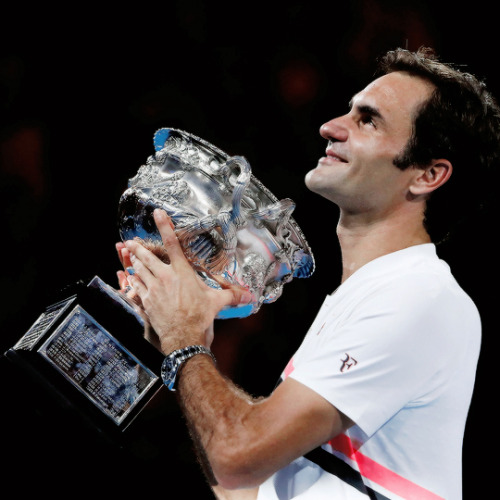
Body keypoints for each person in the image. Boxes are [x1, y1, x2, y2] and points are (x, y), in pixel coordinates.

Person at [116, 47, 500, 499]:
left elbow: (237, 456)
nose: (331, 127)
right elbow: (244, 487)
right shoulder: (361, 299)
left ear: (427, 175)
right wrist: (173, 342)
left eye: (368, 120)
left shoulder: (418, 296)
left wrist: (186, 341)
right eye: (348, 111)